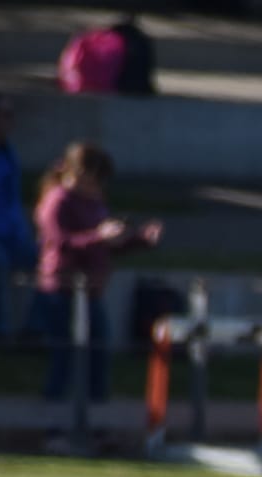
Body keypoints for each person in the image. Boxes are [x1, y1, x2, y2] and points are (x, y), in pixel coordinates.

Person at [33, 142, 159, 404]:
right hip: (62, 289)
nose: (97, 186)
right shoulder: (57, 200)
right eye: (93, 179)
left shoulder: (94, 203)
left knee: (98, 359)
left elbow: (104, 248)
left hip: (92, 290)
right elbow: (60, 241)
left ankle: (97, 426)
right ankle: (53, 427)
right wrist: (98, 235)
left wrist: (139, 240)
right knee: (64, 360)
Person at [0, 92, 38, 340]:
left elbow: (13, 202)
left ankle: (35, 330)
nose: (5, 121)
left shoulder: (9, 154)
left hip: (11, 233)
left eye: (9, 116)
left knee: (50, 259)